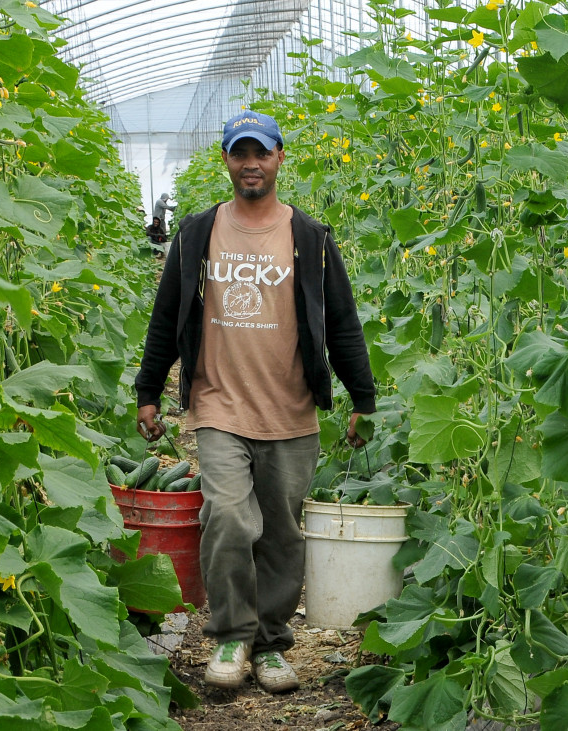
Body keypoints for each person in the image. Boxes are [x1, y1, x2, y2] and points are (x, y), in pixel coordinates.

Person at [133, 110, 375, 694]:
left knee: (281, 535)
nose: (251, 164)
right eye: (240, 153)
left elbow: (341, 322)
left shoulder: (310, 238)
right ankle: (232, 635)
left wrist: (362, 398)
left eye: (261, 153)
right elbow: (166, 317)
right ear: (225, 160)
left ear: (278, 158)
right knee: (227, 517)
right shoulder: (196, 234)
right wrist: (149, 391)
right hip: (219, 406)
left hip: (291, 410)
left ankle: (269, 644)